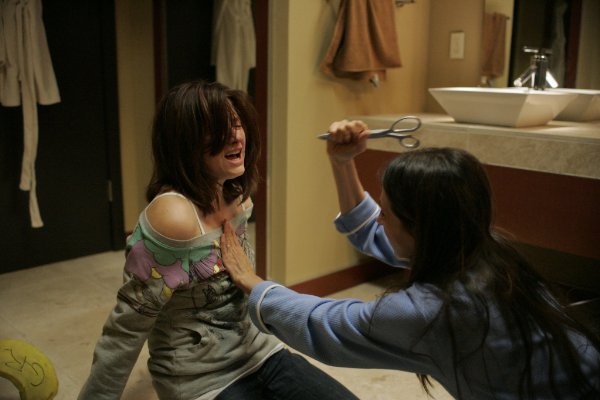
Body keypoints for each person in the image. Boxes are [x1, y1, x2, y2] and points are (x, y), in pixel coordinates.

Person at [221, 119, 600, 399]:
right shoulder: (484, 249)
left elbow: (326, 323)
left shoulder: (432, 309)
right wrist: (342, 162)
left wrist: (255, 284)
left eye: (386, 213)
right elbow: (376, 233)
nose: (378, 220)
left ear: (420, 228)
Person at [78, 82, 358, 400]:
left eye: (236, 124)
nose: (235, 136)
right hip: (200, 379)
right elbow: (126, 328)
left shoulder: (237, 195)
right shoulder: (173, 217)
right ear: (184, 143)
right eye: (218, 129)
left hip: (260, 352)